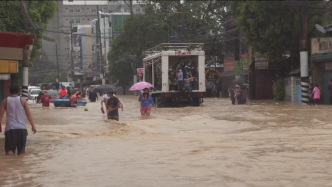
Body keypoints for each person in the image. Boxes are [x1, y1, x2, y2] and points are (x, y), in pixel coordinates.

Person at [0, 84, 37, 155]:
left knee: (9, 151)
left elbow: (0, 116)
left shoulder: (5, 101)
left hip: (10, 129)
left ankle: (11, 165)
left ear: (10, 91)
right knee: (22, 152)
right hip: (22, 129)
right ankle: (20, 164)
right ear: (18, 91)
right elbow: (28, 114)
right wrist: (33, 126)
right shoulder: (23, 100)